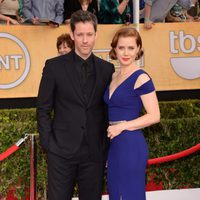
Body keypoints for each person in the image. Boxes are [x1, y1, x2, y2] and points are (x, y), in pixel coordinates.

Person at [37, 10, 114, 200]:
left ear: (96, 34)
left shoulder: (107, 69)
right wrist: (48, 143)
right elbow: (43, 108)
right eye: (80, 35)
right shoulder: (54, 67)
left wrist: (104, 146)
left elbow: (106, 110)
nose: (85, 40)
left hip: (94, 154)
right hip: (61, 152)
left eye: (89, 34)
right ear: (72, 35)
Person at [104, 27, 160, 200]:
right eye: (121, 48)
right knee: (115, 194)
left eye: (131, 48)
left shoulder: (141, 77)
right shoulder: (113, 76)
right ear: (114, 49)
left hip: (131, 144)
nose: (126, 53)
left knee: (130, 195)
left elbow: (154, 115)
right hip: (114, 145)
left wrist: (123, 126)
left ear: (138, 50)